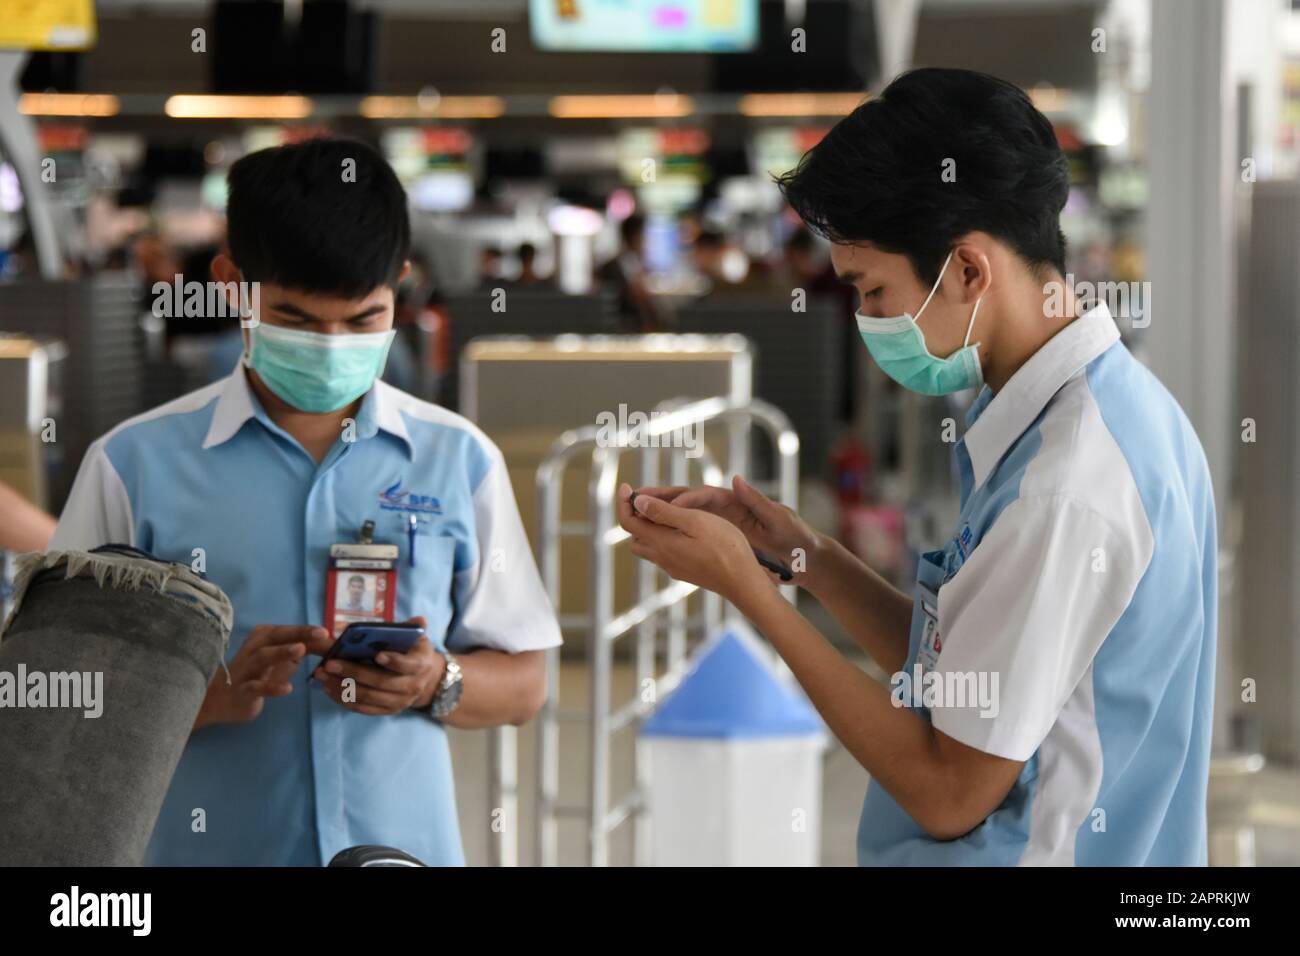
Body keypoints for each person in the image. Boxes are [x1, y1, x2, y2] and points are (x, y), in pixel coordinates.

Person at [616, 68, 1217, 866]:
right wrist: (806, 557)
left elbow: (947, 792)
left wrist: (752, 595)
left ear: (968, 270)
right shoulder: (1086, 413)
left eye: (871, 291)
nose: (867, 321)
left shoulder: (1065, 485)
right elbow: (960, 675)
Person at [50, 137, 561, 866]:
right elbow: (62, 700)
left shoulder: (458, 460)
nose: (331, 346)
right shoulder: (133, 467)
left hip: (399, 854)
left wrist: (435, 681)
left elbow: (525, 686)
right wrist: (208, 698)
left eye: (361, 321)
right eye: (294, 319)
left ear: (401, 285)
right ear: (231, 284)